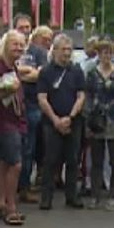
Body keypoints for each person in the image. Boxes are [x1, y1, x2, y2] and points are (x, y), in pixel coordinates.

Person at [37, 33, 87, 210]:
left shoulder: (77, 71)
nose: (67, 53)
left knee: (73, 160)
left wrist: (70, 117)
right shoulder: (46, 72)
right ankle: (46, 198)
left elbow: (81, 96)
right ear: (55, 50)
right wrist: (56, 120)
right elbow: (42, 98)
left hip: (74, 122)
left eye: (69, 49)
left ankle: (72, 196)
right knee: (50, 160)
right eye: (64, 49)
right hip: (51, 123)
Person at [0, 30, 28, 226]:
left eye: (21, 44)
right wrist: (4, 92)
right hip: (3, 123)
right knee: (16, 164)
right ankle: (11, 208)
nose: (18, 48)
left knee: (4, 162)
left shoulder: (14, 68)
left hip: (17, 120)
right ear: (5, 46)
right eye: (14, 44)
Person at [84, 38, 114, 211]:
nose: (106, 55)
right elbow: (87, 96)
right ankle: (95, 195)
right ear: (98, 54)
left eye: (109, 52)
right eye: (103, 52)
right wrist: (88, 117)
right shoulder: (91, 73)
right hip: (97, 119)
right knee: (96, 160)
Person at [15, 15, 47, 202]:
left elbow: (41, 75)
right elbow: (8, 72)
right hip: (13, 105)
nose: (25, 30)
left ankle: (25, 187)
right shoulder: (9, 47)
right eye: (21, 27)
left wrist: (20, 73)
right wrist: (25, 73)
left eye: (28, 27)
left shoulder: (39, 51)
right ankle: (14, 186)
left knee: (29, 148)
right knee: (14, 148)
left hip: (33, 105)